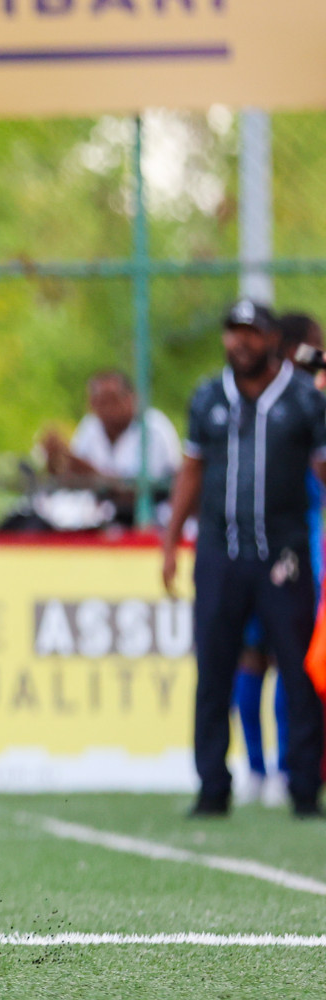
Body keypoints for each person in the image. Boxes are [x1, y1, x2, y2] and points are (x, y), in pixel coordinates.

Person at [162, 300, 326, 819]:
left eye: (251, 333)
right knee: (214, 671)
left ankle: (303, 787)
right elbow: (191, 470)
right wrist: (170, 540)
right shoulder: (209, 395)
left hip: (284, 555)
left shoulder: (303, 398)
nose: (241, 342)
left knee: (298, 673)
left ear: (272, 340)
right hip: (219, 552)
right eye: (233, 332)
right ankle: (213, 787)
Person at [231, 312, 325, 805]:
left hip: (299, 538)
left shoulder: (304, 400)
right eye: (311, 346)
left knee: (293, 657)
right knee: (263, 656)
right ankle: (264, 767)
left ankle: (287, 767)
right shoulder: (284, 399)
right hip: (288, 540)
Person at [40, 370, 182, 526]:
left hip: (148, 521)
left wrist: (90, 472)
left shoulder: (154, 428)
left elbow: (146, 493)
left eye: (111, 401)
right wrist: (57, 459)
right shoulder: (90, 426)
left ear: (131, 399)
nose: (105, 409)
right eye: (97, 402)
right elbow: (70, 480)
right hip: (97, 519)